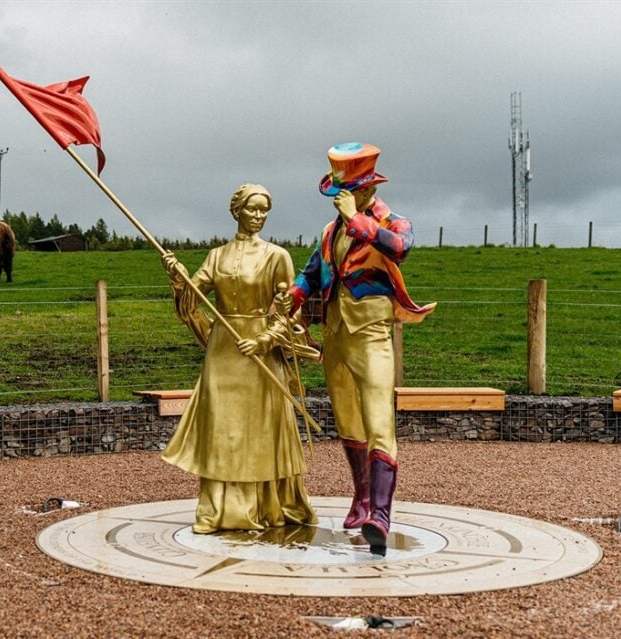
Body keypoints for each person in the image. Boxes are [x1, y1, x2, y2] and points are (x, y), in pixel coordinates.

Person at [288, 143, 435, 555]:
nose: (339, 200)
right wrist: (295, 296)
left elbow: (400, 249)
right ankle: (362, 499)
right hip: (335, 335)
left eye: (345, 192)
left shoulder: (392, 221)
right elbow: (314, 268)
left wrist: (357, 219)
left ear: (367, 190)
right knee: (348, 421)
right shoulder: (330, 231)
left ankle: (381, 516)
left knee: (377, 419)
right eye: (337, 194)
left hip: (371, 335)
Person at [161, 183, 318, 534]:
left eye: (264, 210)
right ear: (237, 211)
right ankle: (217, 509)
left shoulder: (277, 256)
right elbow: (194, 294)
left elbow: (290, 311)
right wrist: (177, 276)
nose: (259, 216)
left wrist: (263, 340)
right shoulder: (217, 255)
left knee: (259, 428)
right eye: (252, 209)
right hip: (223, 351)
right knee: (222, 428)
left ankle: (265, 506)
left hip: (259, 354)